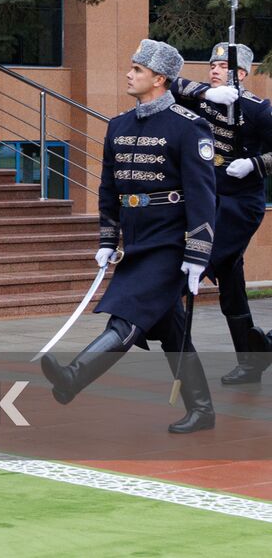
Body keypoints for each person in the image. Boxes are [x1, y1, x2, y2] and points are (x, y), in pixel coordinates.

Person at [40, 39, 217, 433]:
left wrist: (197, 254)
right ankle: (202, 409)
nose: (129, 73)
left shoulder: (189, 127)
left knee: (128, 315)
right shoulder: (118, 125)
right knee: (172, 328)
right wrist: (107, 241)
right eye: (131, 67)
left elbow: (204, 195)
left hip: (171, 243)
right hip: (136, 241)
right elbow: (108, 189)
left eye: (137, 69)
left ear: (160, 78)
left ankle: (74, 377)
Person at [170, 42, 272, 384]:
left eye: (222, 66)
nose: (213, 70)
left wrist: (256, 163)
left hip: (240, 205)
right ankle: (251, 360)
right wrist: (204, 92)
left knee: (200, 262)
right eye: (211, 65)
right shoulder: (203, 97)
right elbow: (166, 83)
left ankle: (151, 315)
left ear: (241, 74)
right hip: (210, 199)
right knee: (230, 277)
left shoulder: (257, 109)